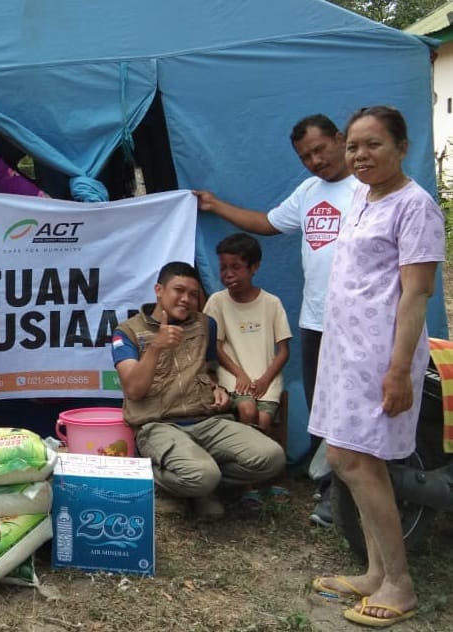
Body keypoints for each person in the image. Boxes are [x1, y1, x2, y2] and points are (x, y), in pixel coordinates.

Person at [309, 106, 444, 628]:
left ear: (402, 147)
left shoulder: (416, 207)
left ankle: (400, 585)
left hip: (381, 357)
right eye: (354, 147)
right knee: (345, 460)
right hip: (346, 351)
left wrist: (396, 370)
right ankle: (373, 571)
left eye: (374, 145)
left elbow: (417, 294)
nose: (361, 156)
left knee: (362, 463)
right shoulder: (363, 198)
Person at [193, 113, 360, 526]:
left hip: (360, 323)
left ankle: (353, 496)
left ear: (340, 140)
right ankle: (329, 493)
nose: (315, 161)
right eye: (306, 156)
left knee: (353, 410)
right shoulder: (309, 192)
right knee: (323, 408)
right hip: (317, 320)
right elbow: (266, 224)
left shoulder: (369, 189)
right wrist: (215, 205)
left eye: (320, 150)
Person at [111, 261, 285, 519]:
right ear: (159, 290)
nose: (186, 299)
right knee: (203, 475)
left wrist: (217, 388)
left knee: (272, 457)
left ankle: (197, 484)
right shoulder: (127, 332)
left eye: (193, 294)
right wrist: (156, 347)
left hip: (207, 420)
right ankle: (170, 484)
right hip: (157, 425)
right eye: (178, 290)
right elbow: (134, 390)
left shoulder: (206, 324)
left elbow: (209, 369)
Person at [203, 233, 292, 503]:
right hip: (233, 379)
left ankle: (261, 479)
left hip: (267, 378)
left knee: (263, 420)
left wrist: (265, 379)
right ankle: (250, 486)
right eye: (223, 268)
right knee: (247, 409)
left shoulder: (271, 303)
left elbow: (284, 350)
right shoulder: (217, 302)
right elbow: (214, 345)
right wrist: (240, 373)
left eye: (236, 267)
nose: (228, 274)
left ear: (254, 267)